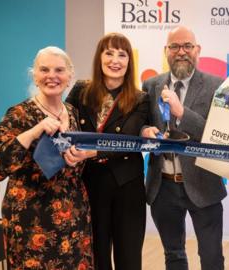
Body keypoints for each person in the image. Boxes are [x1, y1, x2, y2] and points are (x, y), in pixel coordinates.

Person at [0, 46, 93, 269]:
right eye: (44, 69)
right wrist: (32, 133)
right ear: (35, 75)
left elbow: (74, 163)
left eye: (59, 70)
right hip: (30, 222)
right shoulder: (19, 114)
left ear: (70, 76)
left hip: (74, 219)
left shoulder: (74, 113)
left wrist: (79, 156)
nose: (52, 76)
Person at [141, 26, 226, 270]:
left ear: (197, 50)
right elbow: (140, 124)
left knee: (212, 258)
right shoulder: (150, 85)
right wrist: (145, 131)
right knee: (174, 255)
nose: (181, 52)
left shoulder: (216, 85)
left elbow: (217, 135)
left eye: (187, 46)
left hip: (204, 185)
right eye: (175, 47)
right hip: (163, 186)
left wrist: (182, 112)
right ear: (166, 51)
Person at [66, 33, 150, 270]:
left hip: (128, 185)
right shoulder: (81, 90)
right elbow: (67, 122)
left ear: (129, 62)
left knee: (129, 256)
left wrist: (89, 152)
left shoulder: (141, 98)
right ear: (99, 58)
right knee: (96, 255)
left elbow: (127, 139)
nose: (115, 60)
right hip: (90, 184)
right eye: (109, 53)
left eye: (122, 54)